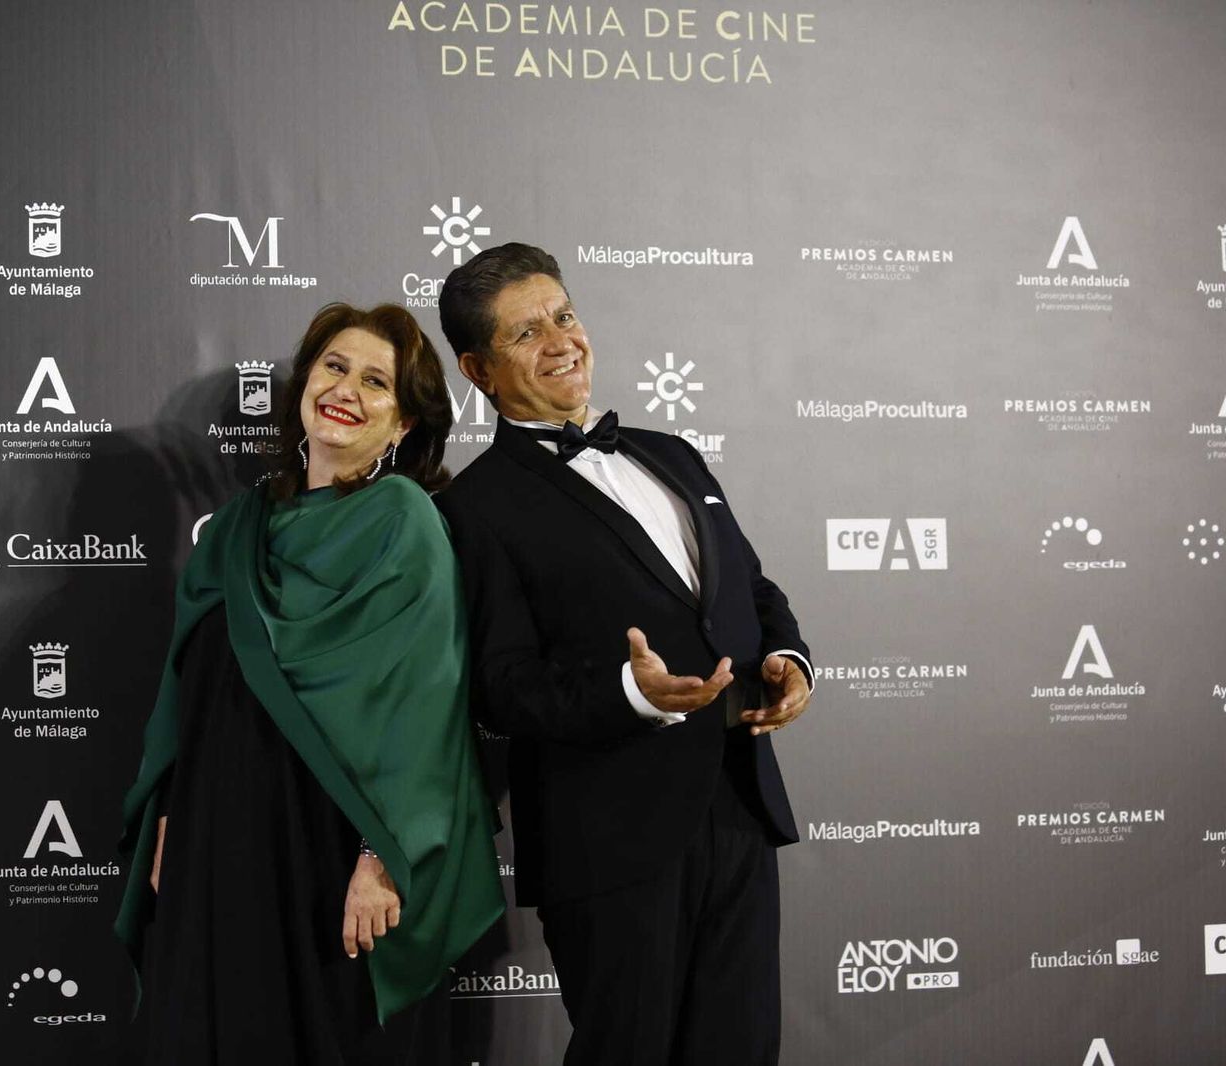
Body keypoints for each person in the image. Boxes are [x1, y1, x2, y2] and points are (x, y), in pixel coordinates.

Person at [433, 244, 814, 1066]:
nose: (561, 341)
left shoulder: (671, 453)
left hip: (739, 804)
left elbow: (751, 588)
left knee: (741, 1048)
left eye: (564, 316)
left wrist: (787, 657)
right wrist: (629, 694)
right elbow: (500, 687)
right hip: (608, 833)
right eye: (526, 333)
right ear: (478, 370)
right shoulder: (475, 505)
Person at [115, 303, 504, 1065]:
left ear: (401, 425)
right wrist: (169, 816)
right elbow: (187, 686)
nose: (346, 389)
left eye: (375, 381)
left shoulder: (403, 517)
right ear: (304, 383)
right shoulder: (238, 525)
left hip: (328, 845)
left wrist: (381, 856)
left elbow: (425, 704)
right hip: (217, 835)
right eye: (334, 366)